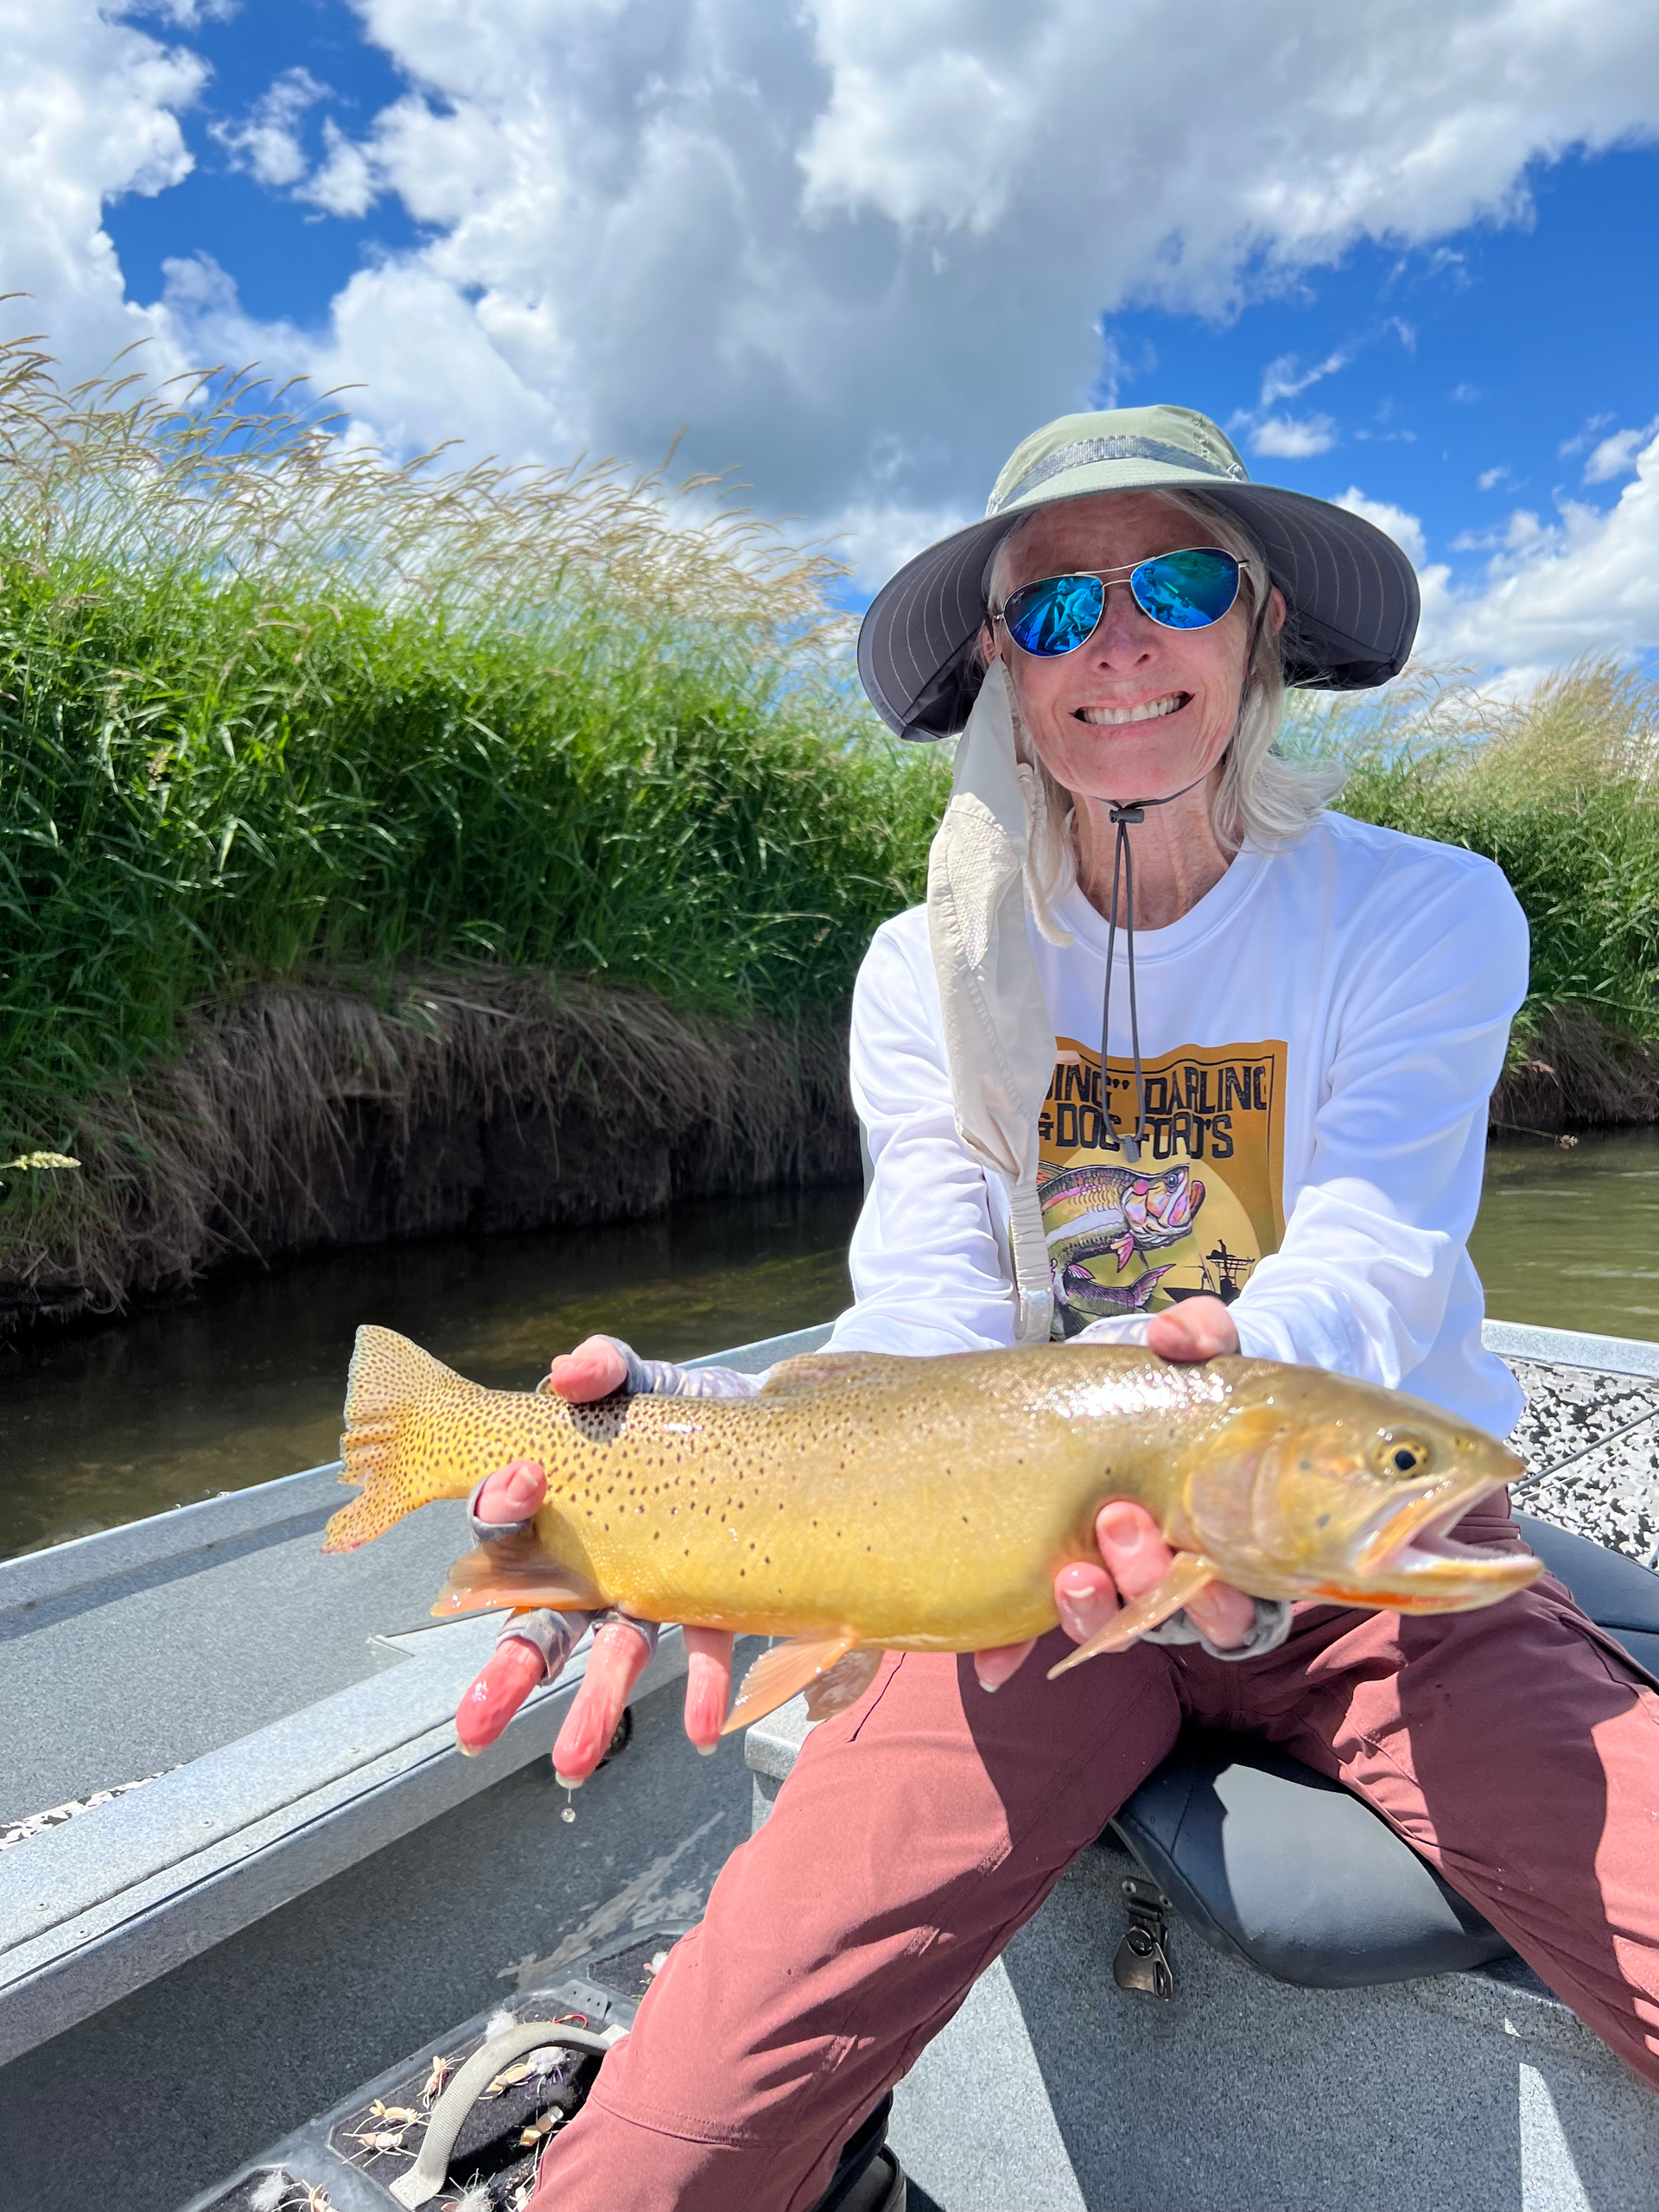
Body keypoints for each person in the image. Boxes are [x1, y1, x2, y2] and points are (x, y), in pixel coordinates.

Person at [455, 405, 1659, 2209]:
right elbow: (929, 1317)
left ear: (1260, 626)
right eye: (1053, 606)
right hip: (1022, 1561)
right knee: (665, 2148)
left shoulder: (1425, 910)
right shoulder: (918, 969)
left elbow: (1376, 1255)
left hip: (1366, 1554)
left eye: (1176, 580)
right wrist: (705, 1452)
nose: (1120, 640)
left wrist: (1221, 1429)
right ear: (998, 671)